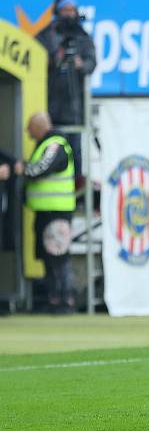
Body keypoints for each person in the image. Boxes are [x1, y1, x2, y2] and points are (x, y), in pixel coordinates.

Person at [16, 113, 76, 313]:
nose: (27, 131)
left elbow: (42, 168)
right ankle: (54, 299)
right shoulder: (47, 143)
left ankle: (65, 300)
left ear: (40, 126)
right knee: (47, 258)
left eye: (29, 126)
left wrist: (23, 168)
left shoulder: (55, 144)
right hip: (46, 210)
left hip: (57, 211)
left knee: (58, 257)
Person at [36, 0, 96, 182]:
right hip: (51, 106)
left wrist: (80, 64)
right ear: (57, 13)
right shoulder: (46, 35)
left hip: (74, 107)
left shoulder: (83, 37)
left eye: (72, 10)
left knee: (75, 153)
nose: (69, 15)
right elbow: (37, 61)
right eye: (65, 10)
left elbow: (91, 64)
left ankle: (77, 191)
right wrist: (55, 58)